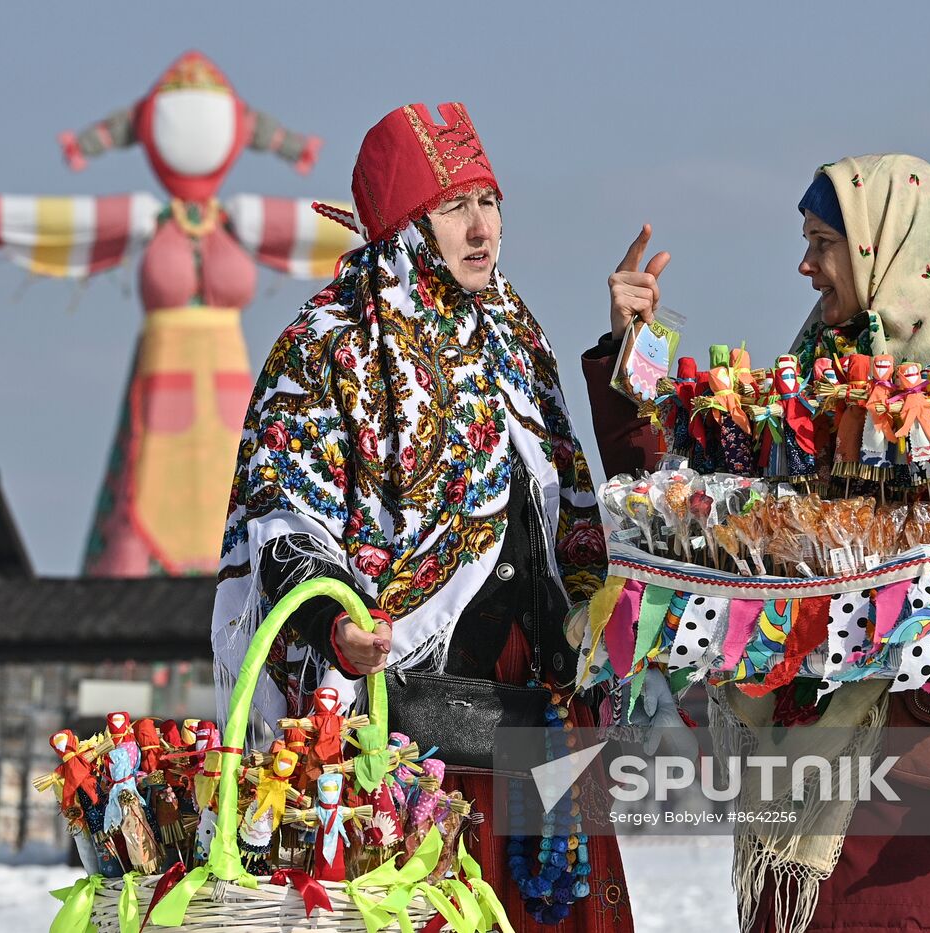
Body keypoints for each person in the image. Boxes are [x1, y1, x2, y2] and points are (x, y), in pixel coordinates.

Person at [583, 153, 930, 932]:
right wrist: (632, 350)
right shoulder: (815, 377)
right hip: (794, 818)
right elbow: (691, 520)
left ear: (886, 246)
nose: (804, 266)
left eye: (821, 242)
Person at [212, 102, 628, 931]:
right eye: (453, 209)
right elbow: (282, 511)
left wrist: (633, 347)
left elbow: (571, 490)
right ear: (405, 228)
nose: (482, 229)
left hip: (543, 701)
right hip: (408, 711)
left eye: (490, 202)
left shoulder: (517, 333)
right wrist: (335, 620)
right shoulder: (329, 344)